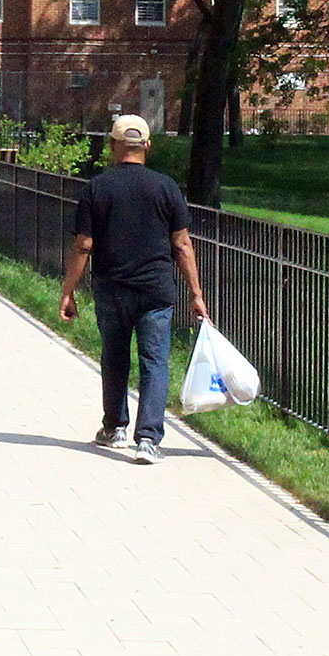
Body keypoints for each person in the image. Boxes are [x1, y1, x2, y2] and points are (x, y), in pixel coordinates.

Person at [59, 114, 208, 465]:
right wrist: (196, 293)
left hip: (111, 288)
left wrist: (69, 291)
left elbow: (83, 245)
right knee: (154, 362)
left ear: (112, 146)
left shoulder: (96, 188)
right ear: (148, 146)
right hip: (156, 290)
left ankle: (115, 427)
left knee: (114, 358)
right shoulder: (166, 188)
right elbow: (183, 244)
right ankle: (149, 439)